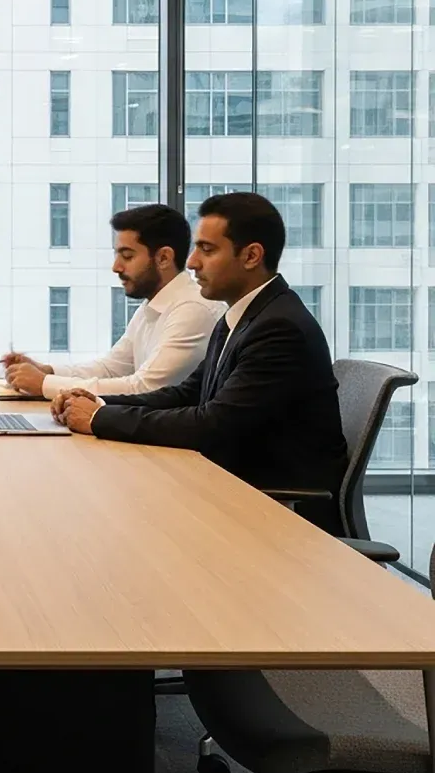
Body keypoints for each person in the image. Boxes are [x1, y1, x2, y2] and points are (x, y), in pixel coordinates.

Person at [52, 192, 348, 532]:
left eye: (207, 250)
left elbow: (213, 425)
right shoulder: (241, 315)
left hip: (281, 515)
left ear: (251, 256)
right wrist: (98, 403)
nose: (191, 262)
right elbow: (187, 393)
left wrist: (99, 418)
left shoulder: (279, 328)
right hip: (236, 489)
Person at [1, 204, 223, 399]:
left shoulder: (193, 309)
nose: (116, 267)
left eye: (127, 256)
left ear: (163, 258)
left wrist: (44, 384)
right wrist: (48, 371)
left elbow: (144, 388)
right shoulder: (154, 304)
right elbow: (111, 368)